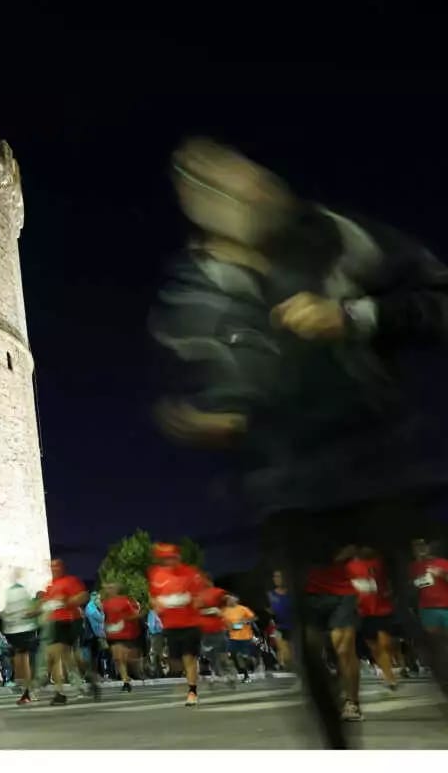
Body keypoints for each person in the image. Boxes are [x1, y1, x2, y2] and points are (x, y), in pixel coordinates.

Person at [153, 136, 448, 745]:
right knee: (309, 647)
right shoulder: (199, 290)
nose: (220, 192)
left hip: (380, 459)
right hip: (287, 484)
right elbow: (228, 383)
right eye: (197, 184)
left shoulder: (336, 238)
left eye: (228, 175)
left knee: (425, 623)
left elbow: (436, 297)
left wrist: (354, 318)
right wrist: (220, 419)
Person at [147, 542, 203, 707]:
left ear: (178, 557)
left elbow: (199, 597)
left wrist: (187, 599)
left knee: (188, 657)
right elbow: (153, 596)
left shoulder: (190, 573)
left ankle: (192, 691)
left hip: (190, 622)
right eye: (165, 559)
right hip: (170, 625)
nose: (169, 561)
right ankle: (192, 678)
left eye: (172, 558)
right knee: (175, 663)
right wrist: (156, 604)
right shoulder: (156, 574)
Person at [42, 559, 94, 706]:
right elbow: (45, 604)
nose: (54, 569)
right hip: (55, 624)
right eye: (52, 566)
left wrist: (68, 601)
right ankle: (66, 690)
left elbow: (84, 596)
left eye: (57, 566)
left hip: (70, 621)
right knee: (60, 657)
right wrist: (33, 611)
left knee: (66, 656)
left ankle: (84, 677)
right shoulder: (50, 587)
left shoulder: (71, 581)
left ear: (63, 568)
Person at [346, 547, 400, 692]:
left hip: (382, 609)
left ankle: (389, 674)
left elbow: (389, 581)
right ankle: (387, 674)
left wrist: (388, 590)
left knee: (385, 643)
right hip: (363, 612)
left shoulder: (379, 562)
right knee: (374, 646)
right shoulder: (349, 567)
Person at [1, 571, 39, 705]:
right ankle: (27, 691)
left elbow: (9, 612)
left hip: (20, 631)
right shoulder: (20, 592)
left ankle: (28, 691)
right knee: (22, 660)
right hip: (22, 630)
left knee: (22, 660)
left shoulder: (15, 592)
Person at [100, 583, 141, 693]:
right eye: (107, 588)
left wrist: (125, 618)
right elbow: (104, 618)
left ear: (117, 589)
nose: (109, 590)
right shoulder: (104, 603)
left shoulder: (124, 601)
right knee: (117, 658)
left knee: (124, 657)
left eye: (111, 588)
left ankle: (129, 674)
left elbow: (135, 614)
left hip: (125, 633)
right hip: (112, 633)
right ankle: (125, 681)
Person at [196, 577, 236, 687]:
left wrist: (229, 601)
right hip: (205, 633)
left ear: (209, 581)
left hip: (218, 630)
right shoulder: (197, 595)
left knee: (222, 655)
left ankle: (231, 675)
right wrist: (211, 610)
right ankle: (220, 675)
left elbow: (230, 600)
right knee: (211, 656)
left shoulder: (216, 592)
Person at [222, 595, 258, 683]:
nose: (229, 600)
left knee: (245, 657)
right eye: (227, 599)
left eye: (231, 598)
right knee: (235, 655)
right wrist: (231, 627)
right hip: (233, 638)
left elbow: (253, 618)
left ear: (236, 599)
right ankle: (245, 675)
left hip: (246, 637)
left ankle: (252, 663)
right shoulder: (224, 611)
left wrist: (246, 621)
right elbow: (225, 625)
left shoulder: (243, 609)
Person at [265, 571, 293, 670]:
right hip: (278, 627)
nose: (276, 579)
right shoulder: (270, 595)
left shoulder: (292, 593)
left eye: (279, 576)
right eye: (275, 576)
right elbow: (266, 610)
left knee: (291, 657)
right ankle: (282, 664)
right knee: (284, 653)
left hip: (293, 628)